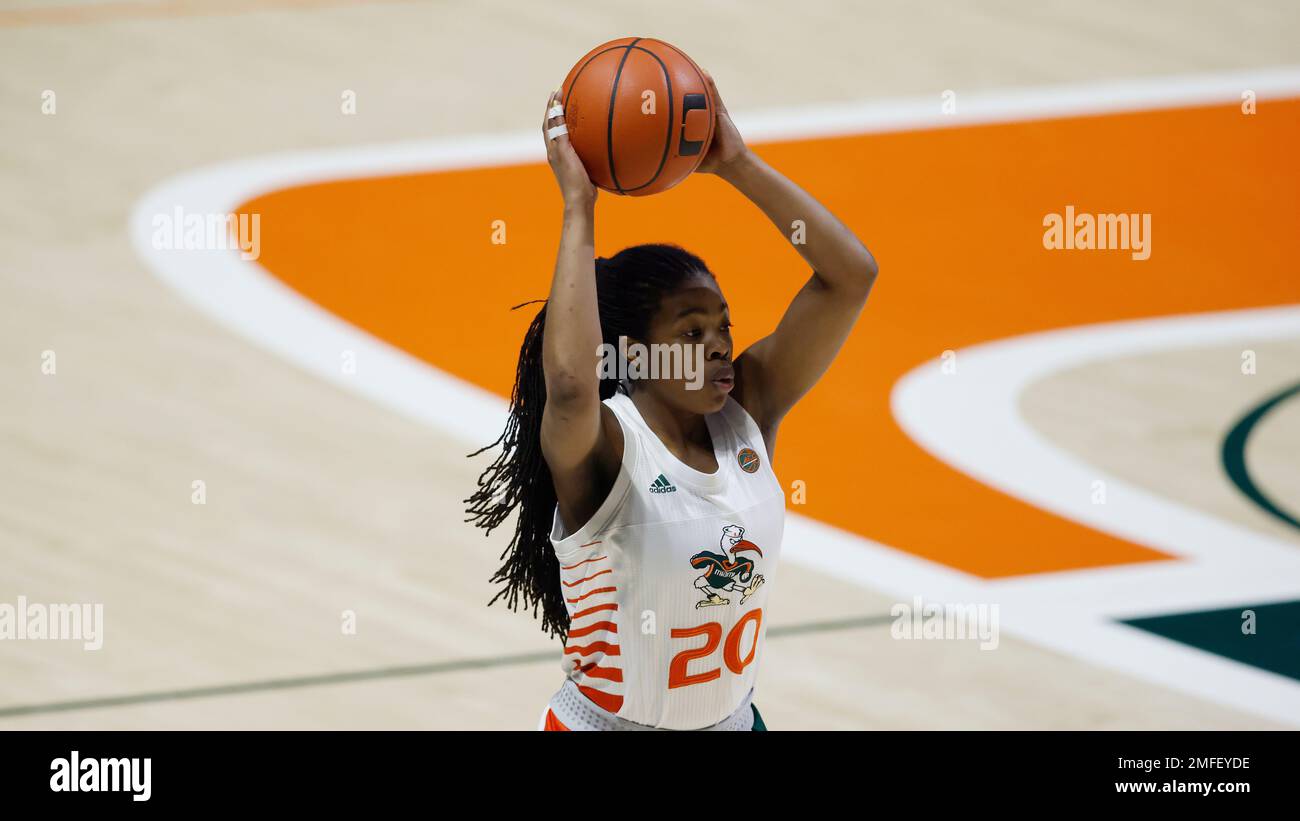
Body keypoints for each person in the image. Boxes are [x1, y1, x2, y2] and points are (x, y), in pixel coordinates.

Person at [467, 73, 878, 730]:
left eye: (724, 326)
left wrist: (737, 165)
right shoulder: (604, 450)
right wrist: (580, 205)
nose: (719, 345)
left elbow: (851, 277)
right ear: (634, 354)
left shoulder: (750, 412)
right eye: (691, 331)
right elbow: (571, 385)